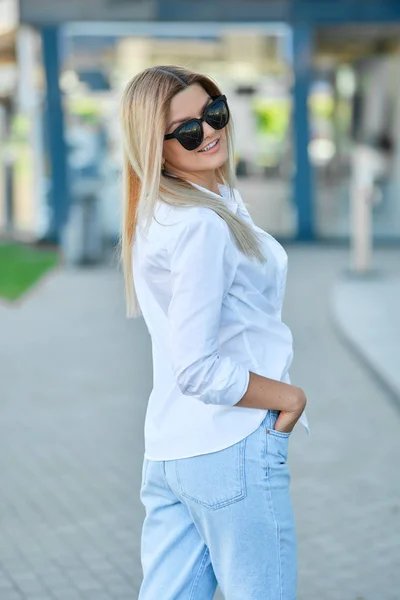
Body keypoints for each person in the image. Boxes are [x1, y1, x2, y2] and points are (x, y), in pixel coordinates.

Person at [119, 65, 309, 600]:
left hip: (171, 451)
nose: (209, 132)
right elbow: (197, 367)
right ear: (154, 146)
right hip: (230, 445)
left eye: (214, 112)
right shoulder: (201, 223)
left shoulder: (168, 211)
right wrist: (289, 400)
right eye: (187, 130)